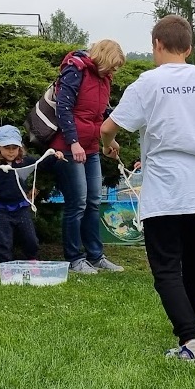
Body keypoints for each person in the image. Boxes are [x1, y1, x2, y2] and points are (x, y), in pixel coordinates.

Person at [100, 15, 195, 362]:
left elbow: (107, 127)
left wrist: (108, 145)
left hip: (165, 186)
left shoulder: (148, 82)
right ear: (189, 48)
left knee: (166, 267)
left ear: (157, 44)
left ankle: (189, 342)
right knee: (193, 260)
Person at [49, 39, 127, 274]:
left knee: (93, 201)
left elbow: (101, 112)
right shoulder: (75, 70)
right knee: (77, 203)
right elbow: (63, 108)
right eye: (112, 65)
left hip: (91, 147)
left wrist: (110, 140)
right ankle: (74, 259)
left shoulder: (104, 78)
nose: (114, 71)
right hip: (68, 147)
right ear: (103, 58)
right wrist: (73, 143)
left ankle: (96, 255)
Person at [0, 125, 64, 263]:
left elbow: (42, 163)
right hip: (2, 209)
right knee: (3, 241)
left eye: (15, 148)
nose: (11, 151)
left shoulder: (25, 161)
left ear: (20, 148)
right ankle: (5, 266)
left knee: (30, 238)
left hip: (22, 208)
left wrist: (55, 157)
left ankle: (32, 260)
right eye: (7, 148)